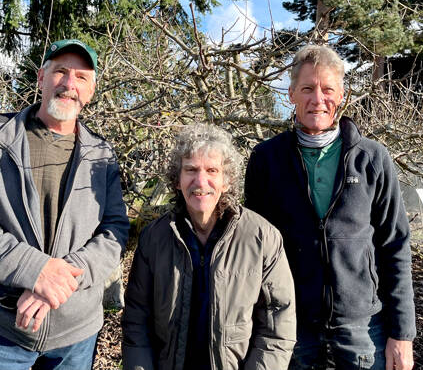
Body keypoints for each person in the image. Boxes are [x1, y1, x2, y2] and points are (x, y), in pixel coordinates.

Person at [0, 39, 130, 369]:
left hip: (75, 334)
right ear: (41, 78)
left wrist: (58, 282)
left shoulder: (102, 155)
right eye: (60, 72)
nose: (69, 84)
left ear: (91, 91)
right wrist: (35, 270)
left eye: (81, 77)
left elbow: (114, 231)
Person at [245, 45, 415, 370]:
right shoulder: (266, 160)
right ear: (292, 93)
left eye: (327, 89)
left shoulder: (372, 159)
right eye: (307, 88)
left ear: (342, 95)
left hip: (364, 326)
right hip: (290, 324)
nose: (317, 99)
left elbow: (395, 246)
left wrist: (403, 335)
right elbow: (255, 251)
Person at [122, 123, 296, 370]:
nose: (200, 181)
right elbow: (136, 323)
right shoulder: (154, 238)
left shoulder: (262, 237)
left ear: (226, 181)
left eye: (212, 170)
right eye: (190, 169)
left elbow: (277, 326)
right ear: (177, 180)